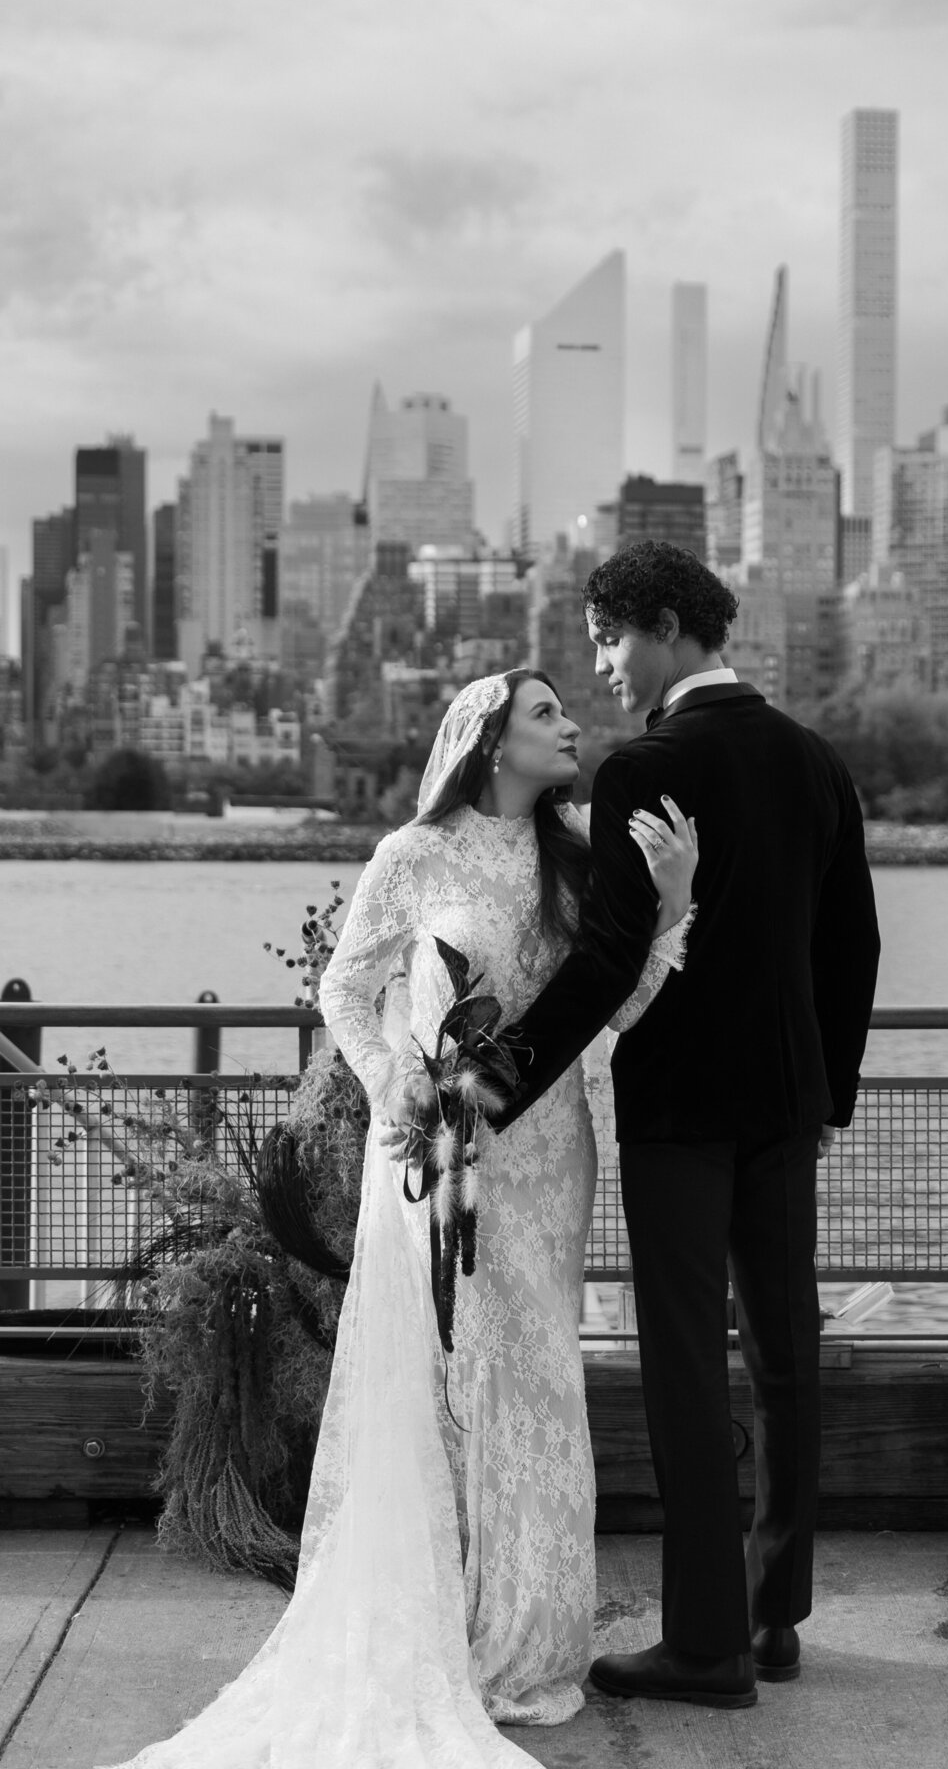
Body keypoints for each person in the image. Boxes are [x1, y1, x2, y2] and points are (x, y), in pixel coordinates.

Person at [100, 668, 696, 1767]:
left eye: (567, 711)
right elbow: (343, 989)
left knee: (538, 1376)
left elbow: (612, 1004)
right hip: (437, 1151)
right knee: (453, 1374)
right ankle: (449, 1631)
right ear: (488, 741)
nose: (572, 729)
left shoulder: (575, 848)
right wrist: (394, 1085)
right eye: (547, 716)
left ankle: (533, 1646)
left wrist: (669, 907)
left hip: (547, 1152)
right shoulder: (411, 859)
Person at [490, 542, 880, 1710]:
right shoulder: (815, 762)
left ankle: (703, 1646)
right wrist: (829, 1091)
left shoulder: (642, 769)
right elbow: (850, 948)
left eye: (608, 639)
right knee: (783, 1358)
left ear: (663, 625)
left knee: (683, 1372)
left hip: (679, 1115)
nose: (602, 666)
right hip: (786, 1105)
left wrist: (495, 1079)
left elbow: (613, 956)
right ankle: (772, 1621)